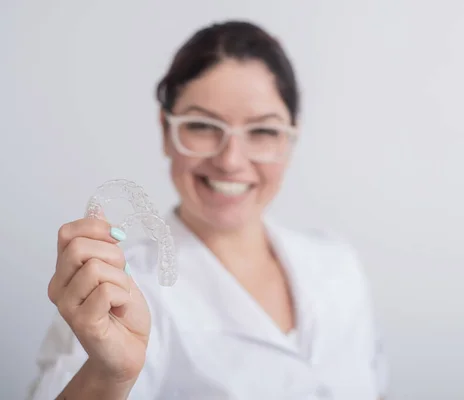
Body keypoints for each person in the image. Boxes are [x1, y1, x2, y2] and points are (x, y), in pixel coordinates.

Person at [27, 20, 388, 400]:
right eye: (202, 126)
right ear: (167, 132)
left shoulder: (338, 266)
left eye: (263, 131)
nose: (231, 161)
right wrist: (107, 376)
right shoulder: (115, 292)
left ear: (290, 139)